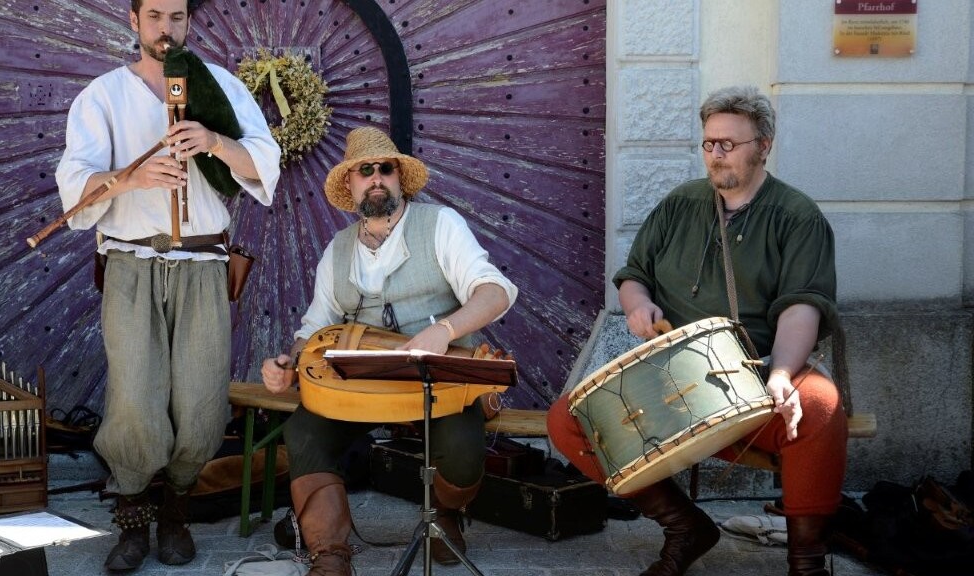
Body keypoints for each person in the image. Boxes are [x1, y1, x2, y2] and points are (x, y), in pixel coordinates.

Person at [547, 86, 848, 576]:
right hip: (671, 380)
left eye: (729, 143)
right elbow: (635, 274)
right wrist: (639, 304)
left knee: (818, 408)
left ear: (764, 145)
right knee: (569, 420)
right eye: (709, 143)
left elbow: (801, 307)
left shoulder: (797, 217)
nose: (716, 154)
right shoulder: (680, 204)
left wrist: (782, 375)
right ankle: (685, 527)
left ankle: (807, 563)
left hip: (753, 373)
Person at [54, 0, 280, 571]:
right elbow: (76, 189)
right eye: (154, 15)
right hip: (132, 263)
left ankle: (176, 507)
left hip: (204, 263)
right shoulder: (102, 96)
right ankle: (132, 514)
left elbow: (263, 165)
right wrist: (131, 176)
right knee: (134, 400)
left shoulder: (219, 86)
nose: (166, 28)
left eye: (177, 16)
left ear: (188, 21)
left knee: (202, 402)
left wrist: (213, 141)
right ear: (134, 21)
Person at [261, 126, 517, 575]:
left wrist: (446, 329)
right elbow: (315, 327)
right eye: (365, 170)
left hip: (437, 381)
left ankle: (447, 515)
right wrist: (290, 361)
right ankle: (330, 555)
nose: (376, 177)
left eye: (386, 168)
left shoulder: (440, 225)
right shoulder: (337, 250)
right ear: (351, 185)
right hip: (359, 387)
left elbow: (495, 292)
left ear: (399, 179)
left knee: (461, 447)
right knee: (303, 430)